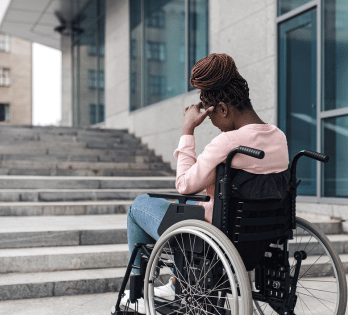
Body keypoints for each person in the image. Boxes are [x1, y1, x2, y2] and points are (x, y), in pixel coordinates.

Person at [120, 53, 289, 312]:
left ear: (223, 109)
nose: (215, 125)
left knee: (139, 205)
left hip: (210, 239)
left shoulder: (229, 143)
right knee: (182, 205)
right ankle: (177, 284)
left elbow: (185, 184)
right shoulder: (278, 137)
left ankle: (140, 290)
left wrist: (188, 131)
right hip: (256, 240)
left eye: (212, 117)